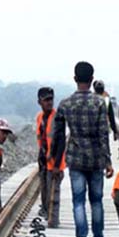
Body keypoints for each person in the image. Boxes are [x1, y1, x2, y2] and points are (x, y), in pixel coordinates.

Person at [51, 61, 114, 237]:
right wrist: (108, 161)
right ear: (92, 78)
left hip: (75, 159)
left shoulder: (65, 104)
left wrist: (55, 161)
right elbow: (104, 133)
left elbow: (58, 136)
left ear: (75, 79)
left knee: (78, 202)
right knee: (96, 201)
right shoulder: (99, 103)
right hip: (96, 159)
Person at [35, 87, 66, 228]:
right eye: (46, 100)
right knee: (45, 191)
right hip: (43, 161)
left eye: (51, 99)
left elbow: (61, 142)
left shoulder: (58, 117)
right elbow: (42, 139)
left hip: (54, 163)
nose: (49, 102)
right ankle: (47, 214)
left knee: (53, 194)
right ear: (39, 102)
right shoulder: (39, 118)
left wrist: (56, 165)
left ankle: (53, 221)